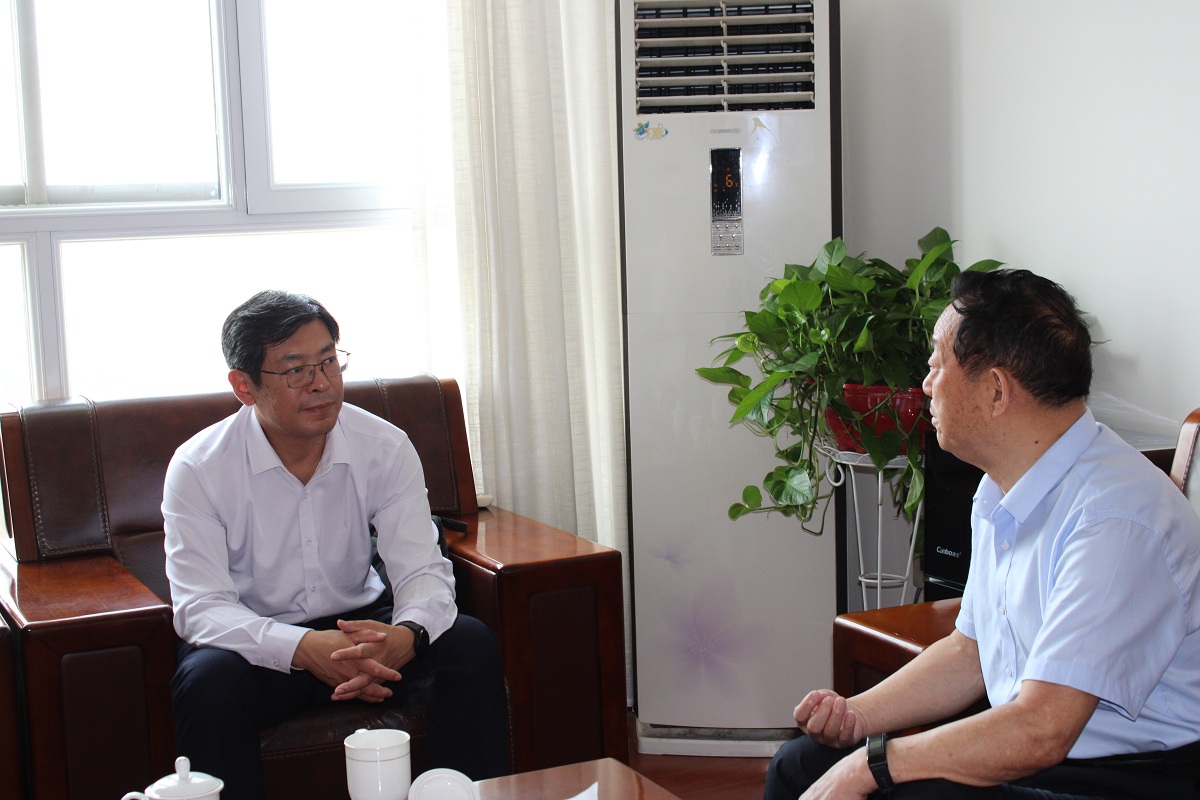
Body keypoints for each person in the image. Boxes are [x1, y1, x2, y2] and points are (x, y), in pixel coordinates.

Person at [764, 269, 1200, 799]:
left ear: (995, 390)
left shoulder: (1116, 517)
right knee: (800, 765)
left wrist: (870, 767)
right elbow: (969, 652)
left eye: (936, 364)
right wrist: (855, 716)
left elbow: (1043, 729)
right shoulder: (1001, 488)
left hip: (1131, 776)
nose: (925, 385)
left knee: (893, 789)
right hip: (1043, 747)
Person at [164, 290, 509, 800]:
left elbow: (422, 570)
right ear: (244, 386)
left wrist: (407, 636)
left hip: (366, 630)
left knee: (468, 644)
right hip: (261, 642)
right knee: (208, 681)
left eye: (328, 361)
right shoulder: (199, 468)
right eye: (296, 370)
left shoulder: (384, 446)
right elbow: (201, 607)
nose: (321, 383)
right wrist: (303, 648)